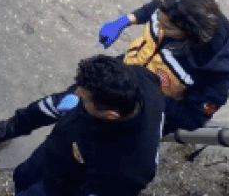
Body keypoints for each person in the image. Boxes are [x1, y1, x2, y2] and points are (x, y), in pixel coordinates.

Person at [0, 0, 229, 149]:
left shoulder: (214, 74)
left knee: (87, 143)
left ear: (189, 32)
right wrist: (126, 20)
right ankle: (11, 127)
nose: (159, 24)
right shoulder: (171, 13)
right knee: (57, 103)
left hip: (139, 107)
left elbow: (193, 118)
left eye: (166, 25)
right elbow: (156, 8)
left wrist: (142, 90)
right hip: (122, 71)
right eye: (160, 18)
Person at [11, 55, 165, 196]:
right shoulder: (141, 78)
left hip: (61, 186)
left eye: (83, 99)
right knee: (21, 175)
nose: (76, 94)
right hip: (53, 149)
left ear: (110, 115)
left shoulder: (129, 170)